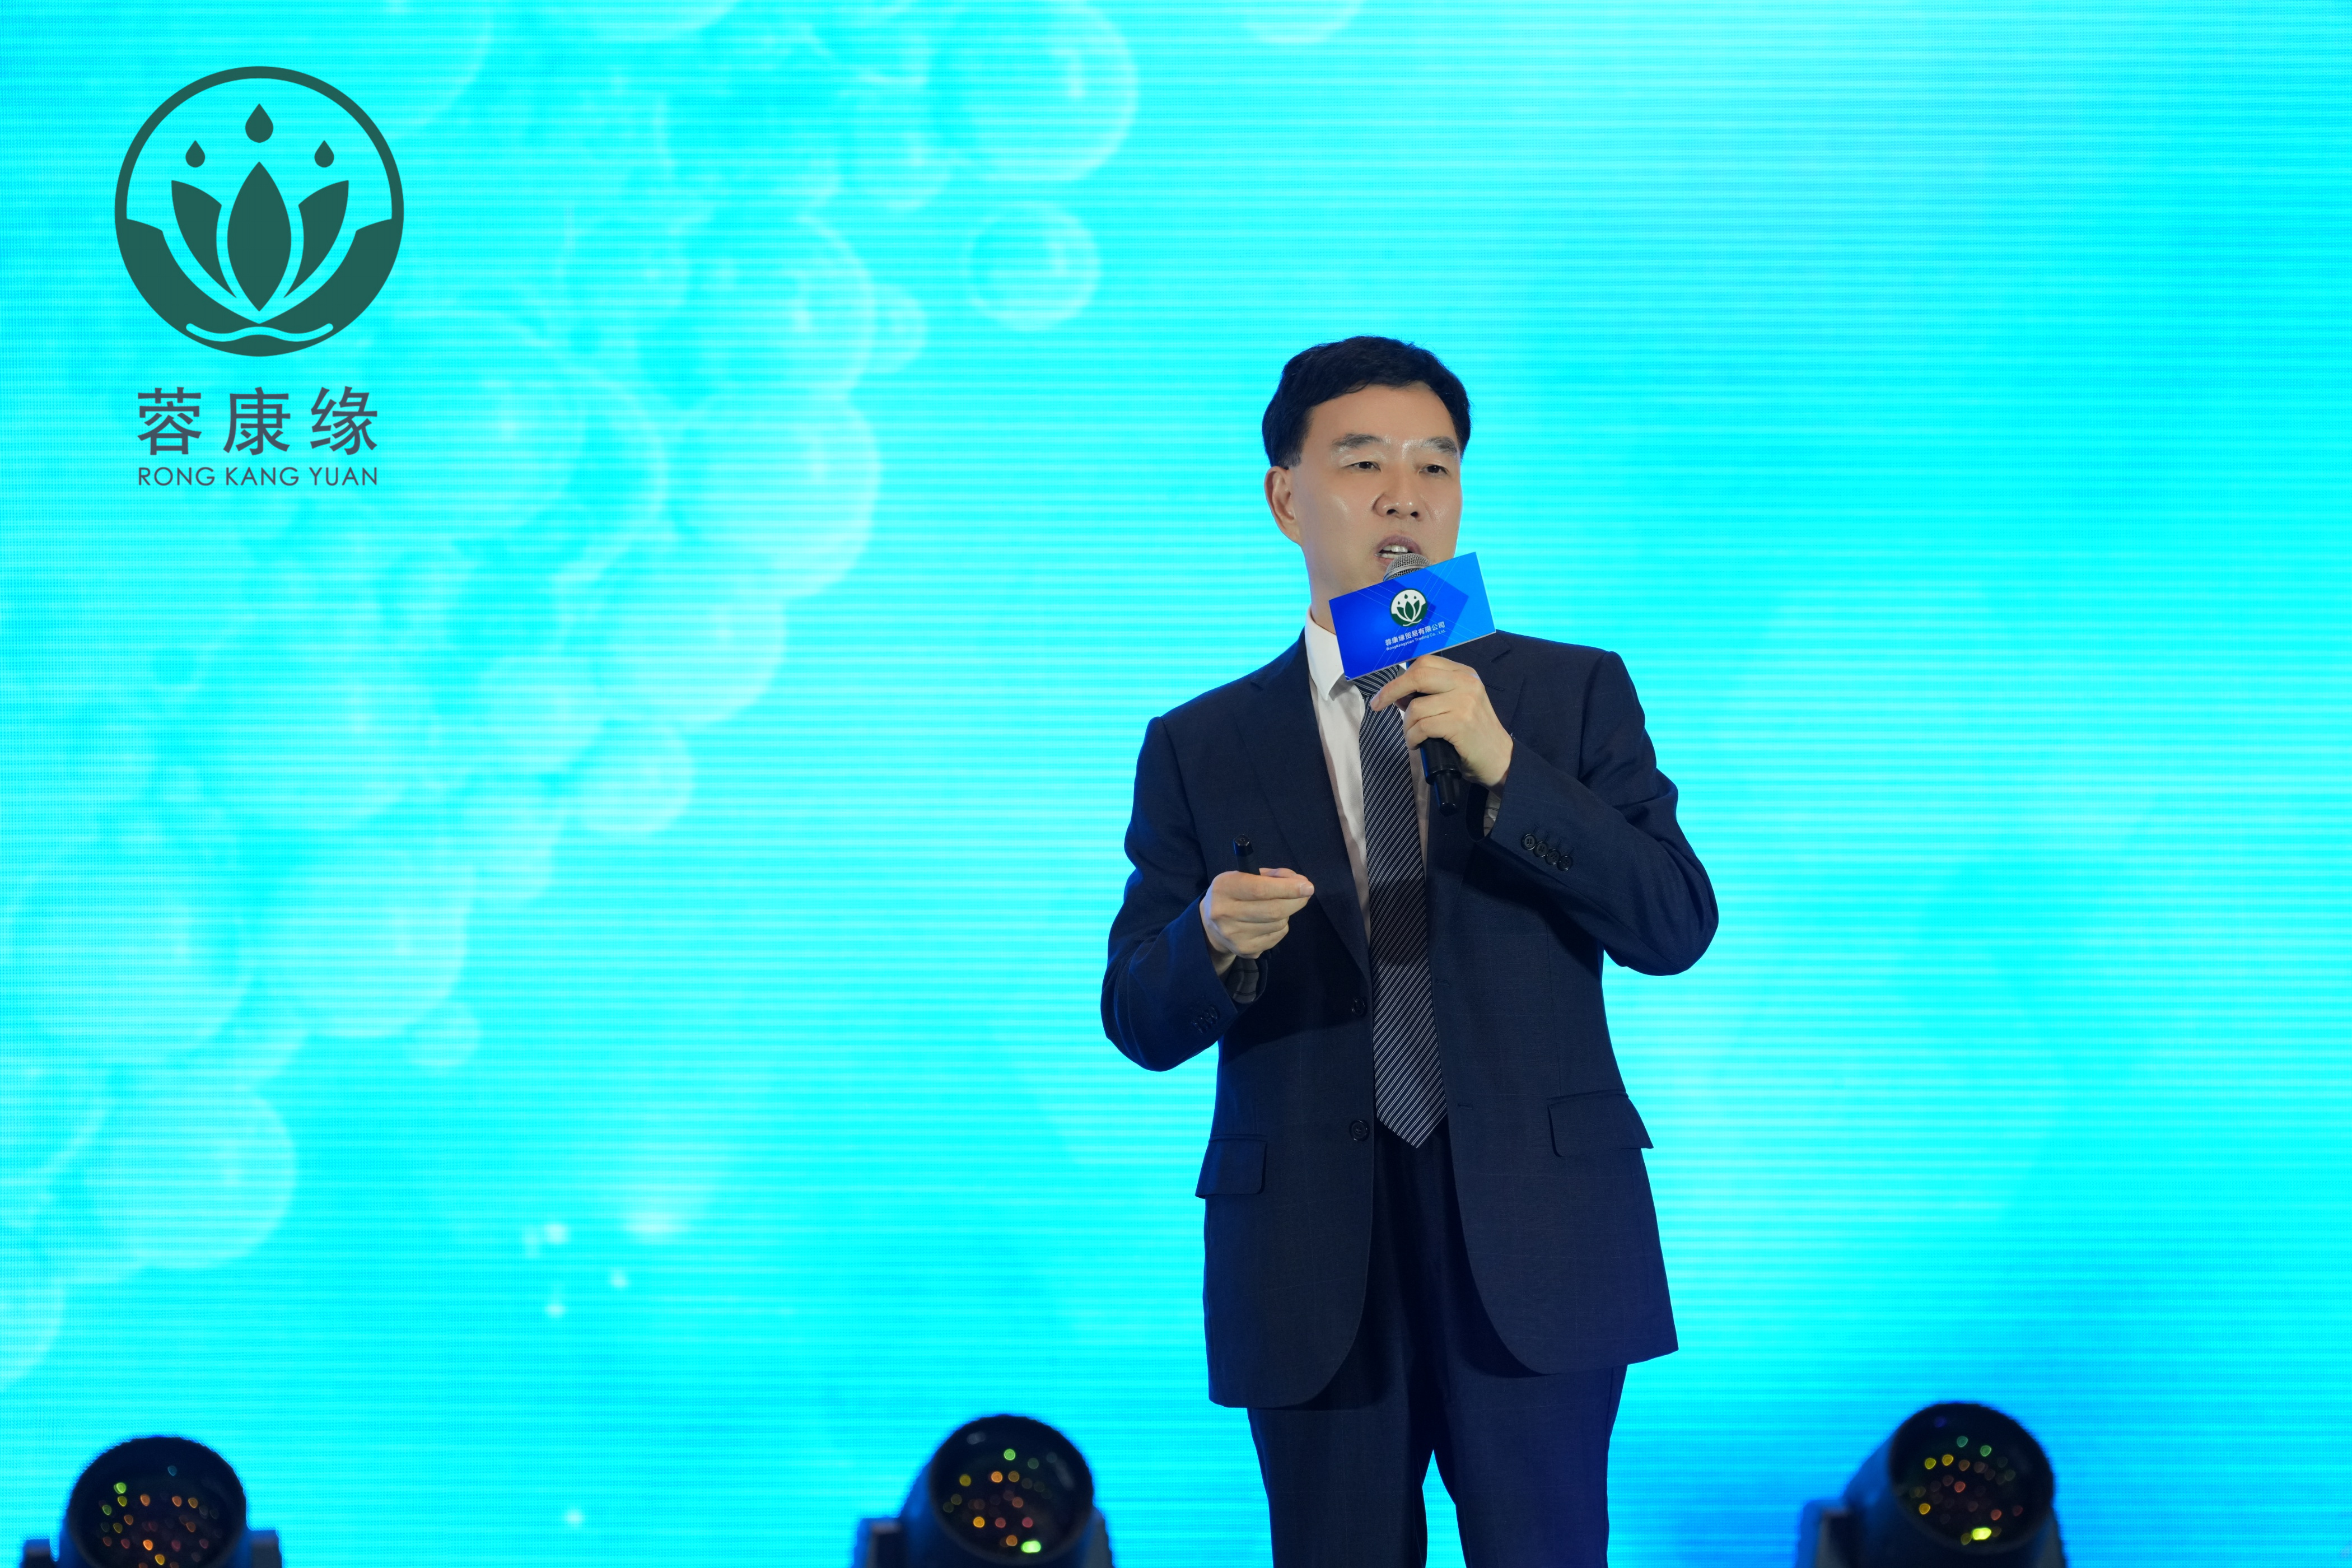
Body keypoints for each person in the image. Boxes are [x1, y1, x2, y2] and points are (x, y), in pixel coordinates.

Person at [1101, 337, 1718, 1566]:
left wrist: (1507, 767)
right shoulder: (1201, 742)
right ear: (1287, 497)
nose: (1404, 496)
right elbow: (1138, 1015)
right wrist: (1210, 940)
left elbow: (1672, 923)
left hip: (1537, 1227)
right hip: (1313, 1246)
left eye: (1435, 466)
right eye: (1364, 463)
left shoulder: (1568, 695)